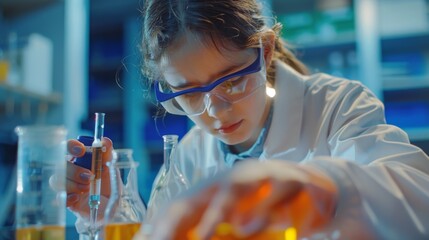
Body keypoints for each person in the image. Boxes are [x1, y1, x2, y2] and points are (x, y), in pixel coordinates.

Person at [65, 0, 429, 239]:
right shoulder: (192, 153)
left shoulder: (336, 107)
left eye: (234, 81)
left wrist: (321, 184)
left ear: (265, 51)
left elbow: (418, 201)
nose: (216, 111)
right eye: (189, 92)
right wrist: (111, 215)